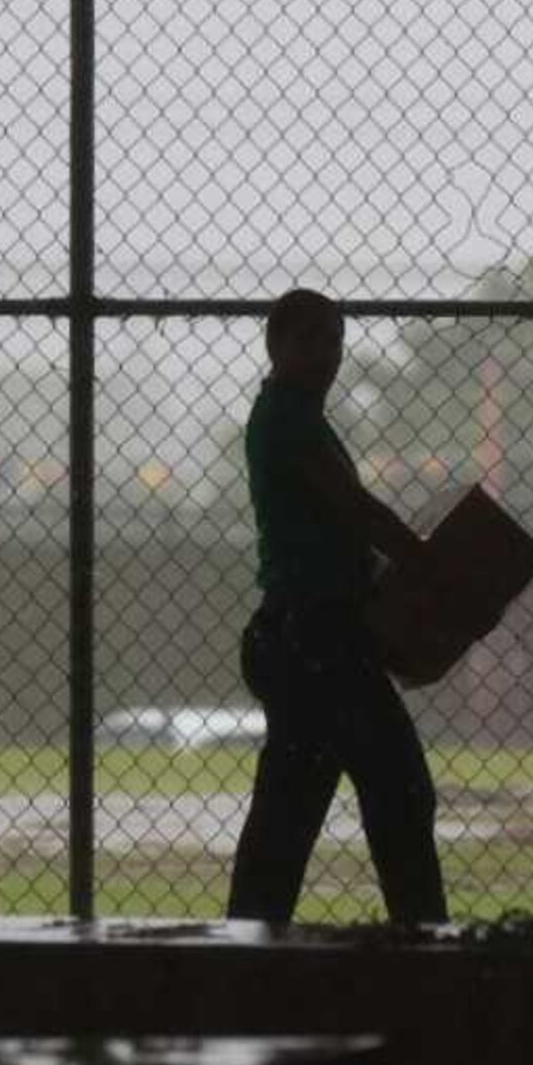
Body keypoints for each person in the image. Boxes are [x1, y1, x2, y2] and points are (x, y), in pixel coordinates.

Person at [227, 288, 447, 928]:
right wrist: (426, 563)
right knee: (399, 791)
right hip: (318, 640)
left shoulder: (289, 416)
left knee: (289, 808)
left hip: (301, 638)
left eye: (334, 342)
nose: (327, 356)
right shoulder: (291, 421)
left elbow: (335, 524)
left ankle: (245, 942)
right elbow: (354, 509)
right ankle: (423, 934)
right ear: (277, 346)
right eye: (312, 341)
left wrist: (390, 571)